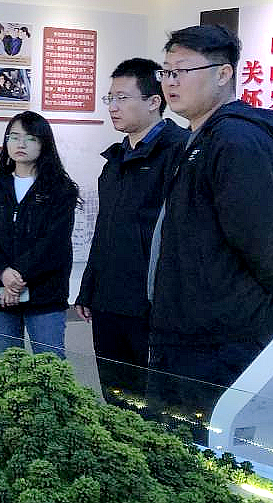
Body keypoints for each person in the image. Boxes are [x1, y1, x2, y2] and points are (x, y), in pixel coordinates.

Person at [147, 24, 273, 436]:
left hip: (221, 335)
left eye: (182, 70)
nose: (171, 81)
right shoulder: (198, 138)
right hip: (189, 327)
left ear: (223, 73)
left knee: (210, 447)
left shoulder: (237, 140)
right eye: (166, 71)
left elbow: (254, 230)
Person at [74, 58, 188, 403]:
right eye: (110, 98)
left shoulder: (178, 152)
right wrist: (88, 287)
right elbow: (104, 229)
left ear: (154, 101)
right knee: (115, 395)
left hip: (151, 302)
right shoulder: (116, 161)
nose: (113, 107)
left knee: (154, 400)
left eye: (122, 98)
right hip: (108, 300)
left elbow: (179, 235)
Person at [0, 111, 79, 358]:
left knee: (49, 367)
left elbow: (54, 243)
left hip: (44, 294)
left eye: (30, 138)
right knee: (7, 366)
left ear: (44, 143)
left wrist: (17, 277)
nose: (21, 144)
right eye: (14, 137)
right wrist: (3, 272)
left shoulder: (60, 189)